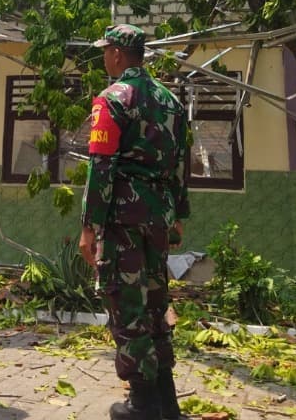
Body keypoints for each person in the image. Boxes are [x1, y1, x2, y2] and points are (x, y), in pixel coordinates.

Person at [79, 24, 191, 420]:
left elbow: (101, 165)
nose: (104, 57)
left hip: (122, 218)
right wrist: (178, 216)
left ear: (116, 54)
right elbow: (180, 166)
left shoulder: (111, 99)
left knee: (127, 307)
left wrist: (89, 226)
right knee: (155, 305)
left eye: (105, 51)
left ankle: (142, 406)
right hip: (159, 217)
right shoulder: (171, 102)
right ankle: (166, 403)